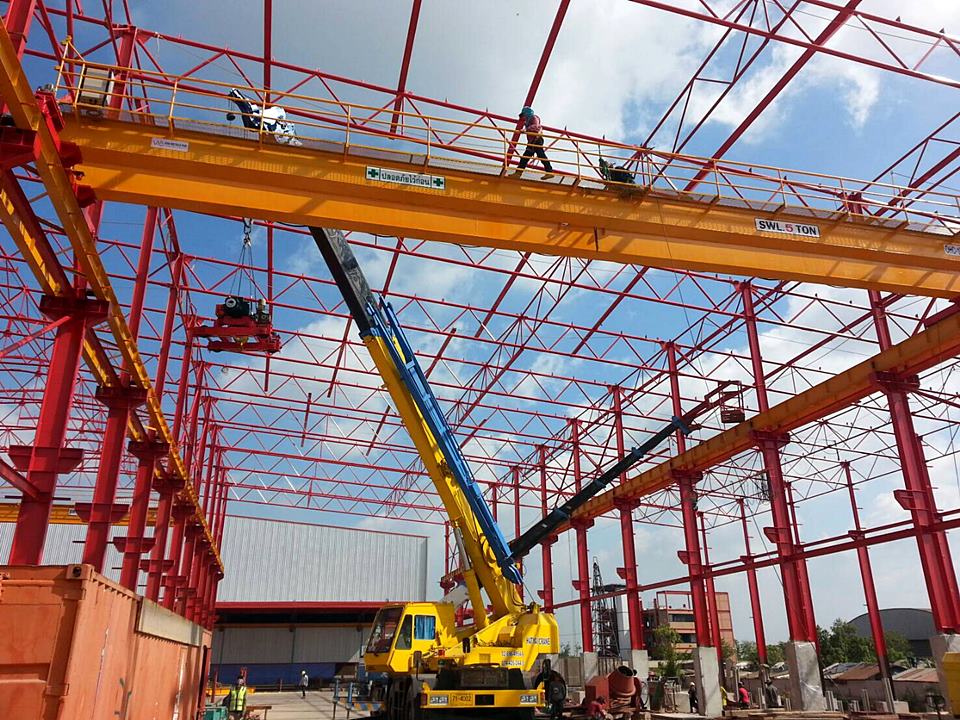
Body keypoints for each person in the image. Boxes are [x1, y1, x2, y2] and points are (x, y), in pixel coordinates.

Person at [227, 87, 302, 146]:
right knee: (250, 119)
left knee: (250, 122)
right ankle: (236, 94)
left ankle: (236, 94)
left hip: (268, 125)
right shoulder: (279, 122)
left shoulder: (283, 126)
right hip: (268, 123)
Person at [512, 106, 554, 179]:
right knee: (525, 158)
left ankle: (549, 172)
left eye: (524, 115)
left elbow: (536, 126)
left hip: (537, 139)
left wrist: (525, 130)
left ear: (527, 113)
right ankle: (517, 173)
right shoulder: (528, 122)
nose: (524, 117)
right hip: (532, 142)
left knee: (541, 155)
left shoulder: (534, 118)